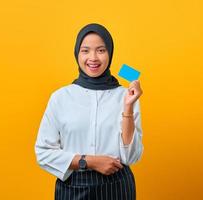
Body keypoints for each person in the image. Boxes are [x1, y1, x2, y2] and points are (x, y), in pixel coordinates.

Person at [35, 23, 144, 200]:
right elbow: (43, 152)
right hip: (72, 188)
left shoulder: (125, 96)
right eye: (85, 50)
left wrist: (128, 107)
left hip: (117, 188)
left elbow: (130, 157)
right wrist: (89, 161)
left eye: (101, 50)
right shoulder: (60, 97)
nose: (93, 58)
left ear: (110, 53)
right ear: (77, 53)